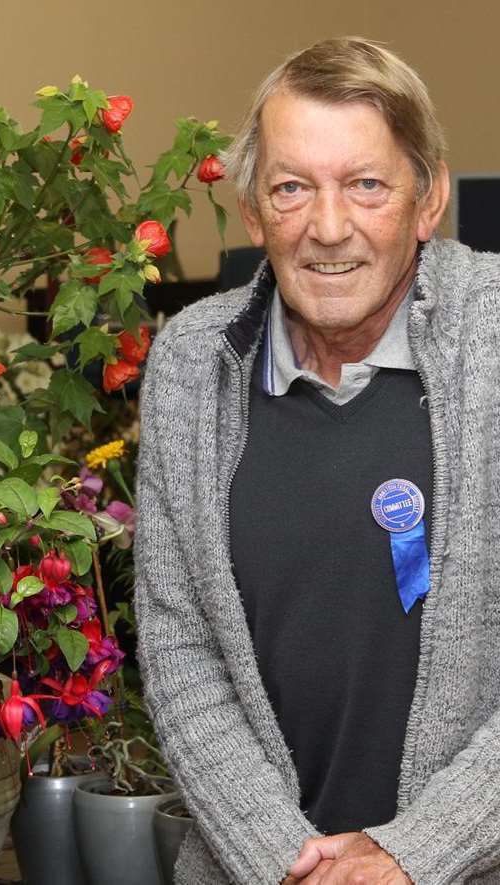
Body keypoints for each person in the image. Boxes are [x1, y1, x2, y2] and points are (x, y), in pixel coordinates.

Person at [135, 37, 500, 885]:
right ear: (255, 212)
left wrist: (413, 856)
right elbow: (181, 648)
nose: (328, 228)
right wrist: (290, 864)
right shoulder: (193, 360)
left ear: (429, 196)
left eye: (367, 185)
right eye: (293, 188)